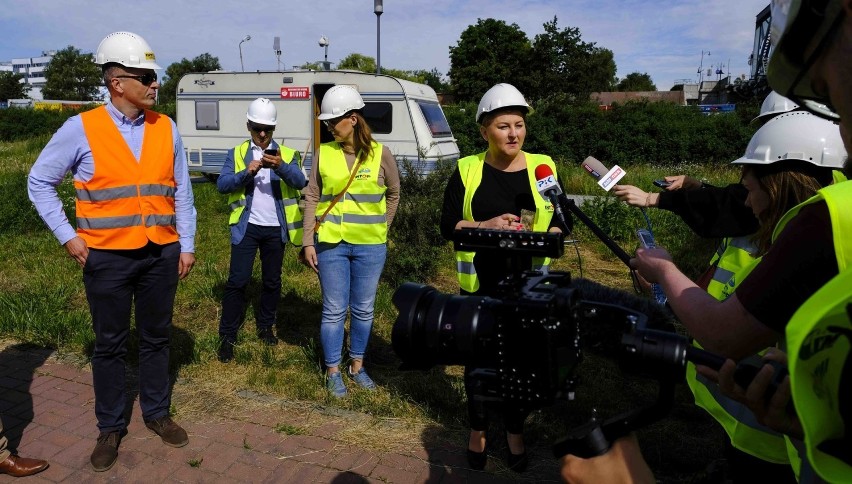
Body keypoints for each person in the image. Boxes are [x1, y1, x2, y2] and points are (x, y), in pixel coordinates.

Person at [27, 31, 197, 472]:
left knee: (157, 338)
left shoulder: (167, 127)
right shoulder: (80, 128)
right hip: (107, 258)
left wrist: (187, 244)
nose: (155, 84)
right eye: (146, 77)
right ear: (117, 81)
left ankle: (157, 414)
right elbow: (39, 182)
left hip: (160, 252)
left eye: (154, 76)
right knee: (110, 345)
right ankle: (110, 427)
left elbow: (182, 193)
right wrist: (68, 235)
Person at [439, 83, 564, 472]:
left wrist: (542, 238)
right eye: (503, 126)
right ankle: (477, 429)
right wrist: (486, 225)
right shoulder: (467, 169)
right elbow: (447, 224)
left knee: (519, 365)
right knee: (478, 361)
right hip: (480, 286)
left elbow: (562, 222)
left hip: (528, 288)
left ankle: (513, 431)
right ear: (484, 131)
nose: (513, 134)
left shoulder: (544, 167)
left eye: (519, 125)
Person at [299, 85, 400, 398]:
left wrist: (382, 226)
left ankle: (357, 366)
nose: (329, 127)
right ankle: (333, 370)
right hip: (331, 244)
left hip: (370, 247)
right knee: (333, 309)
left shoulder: (381, 153)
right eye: (327, 123)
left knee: (364, 309)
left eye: (333, 121)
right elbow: (312, 194)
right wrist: (307, 241)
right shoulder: (323, 153)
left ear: (353, 119)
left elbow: (395, 193)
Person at [216, 98, 307, 362]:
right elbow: (222, 185)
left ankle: (266, 327)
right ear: (249, 126)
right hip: (247, 227)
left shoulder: (288, 155)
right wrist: (247, 173)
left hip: (276, 228)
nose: (263, 134)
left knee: (271, 281)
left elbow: (301, 181)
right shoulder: (236, 153)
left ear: (274, 127)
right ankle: (227, 335)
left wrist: (280, 165)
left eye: (268, 128)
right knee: (237, 281)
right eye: (257, 128)